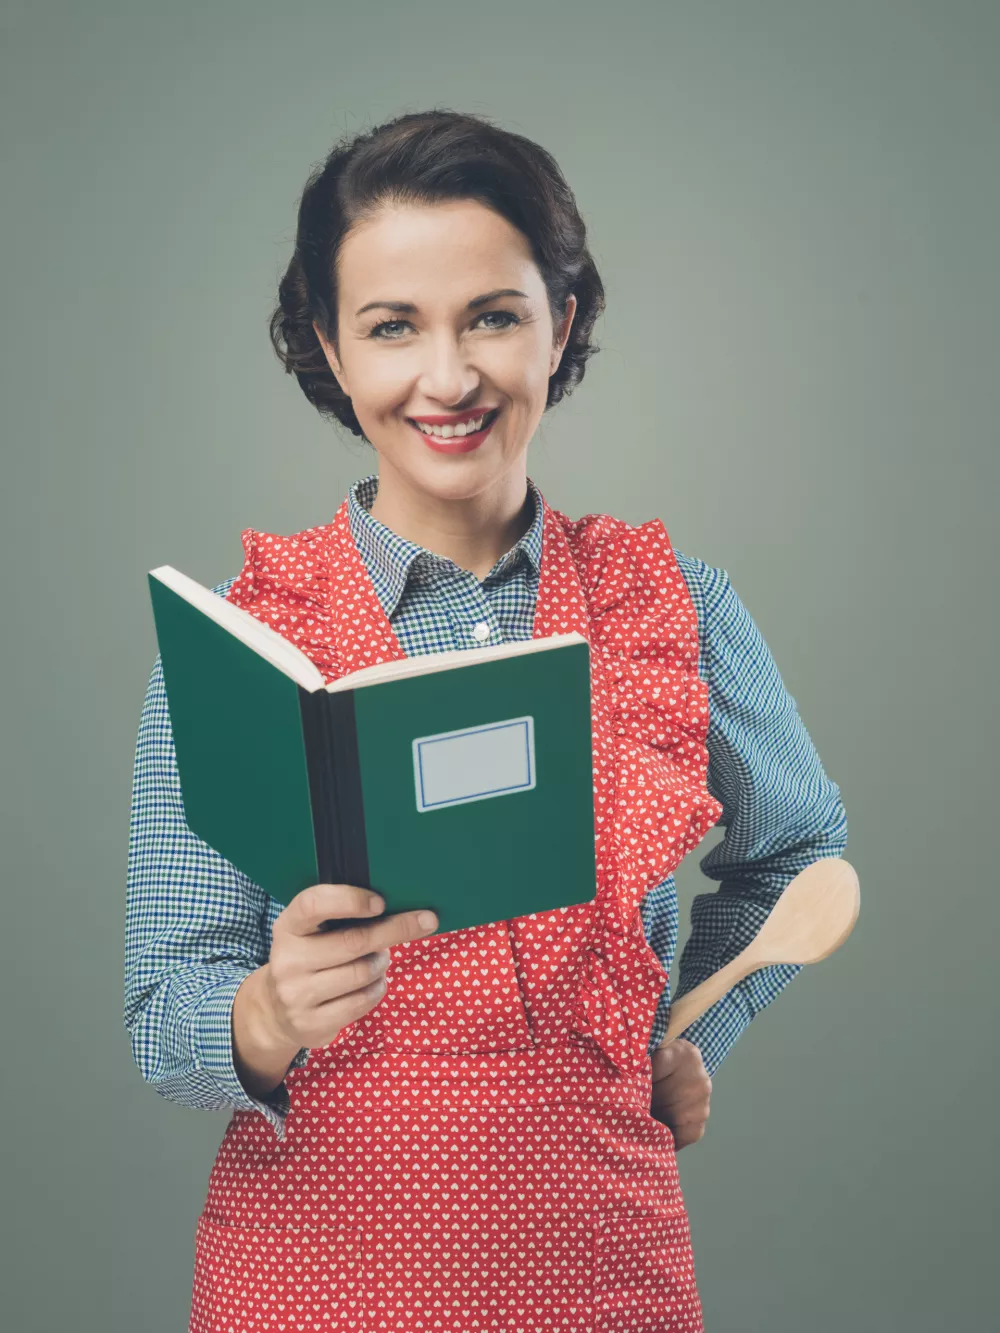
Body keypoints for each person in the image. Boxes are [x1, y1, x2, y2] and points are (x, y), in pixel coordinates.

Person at [124, 109, 848, 1333]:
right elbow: (162, 1013)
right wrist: (264, 1013)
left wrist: (694, 1033)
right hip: (307, 1281)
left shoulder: (668, 603)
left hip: (602, 1270)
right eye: (392, 326)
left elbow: (798, 854)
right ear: (329, 347)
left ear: (559, 326)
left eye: (492, 317)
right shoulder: (244, 638)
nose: (447, 377)